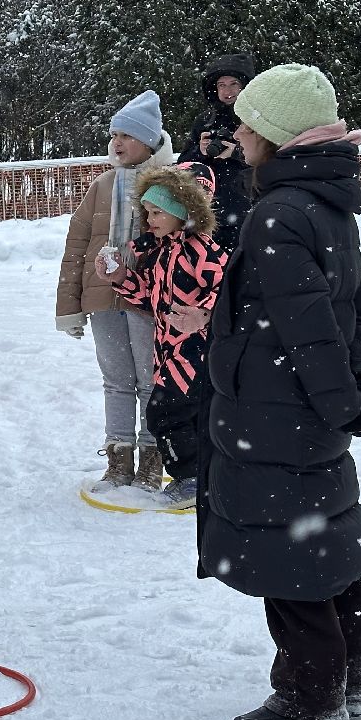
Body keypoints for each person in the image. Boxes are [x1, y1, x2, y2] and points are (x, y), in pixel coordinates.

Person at [192, 63, 361, 720]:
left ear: (279, 134)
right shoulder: (325, 206)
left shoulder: (279, 215)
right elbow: (343, 313)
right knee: (325, 548)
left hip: (278, 416)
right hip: (300, 413)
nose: (237, 130)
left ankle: (309, 693)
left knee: (288, 560)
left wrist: (337, 403)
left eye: (249, 120)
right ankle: (354, 670)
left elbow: (310, 327)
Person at [56, 90, 174, 493]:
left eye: (127, 135)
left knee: (150, 380)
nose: (117, 143)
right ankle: (119, 462)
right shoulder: (101, 186)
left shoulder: (168, 183)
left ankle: (151, 464)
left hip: (149, 302)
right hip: (103, 300)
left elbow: (182, 245)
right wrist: (69, 306)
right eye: (114, 134)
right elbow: (77, 246)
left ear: (150, 141)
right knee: (116, 380)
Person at [95, 164, 227, 507]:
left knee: (166, 414)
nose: (149, 219)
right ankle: (199, 474)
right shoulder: (163, 252)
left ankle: (190, 477)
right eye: (147, 211)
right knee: (179, 414)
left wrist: (204, 314)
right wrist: (120, 277)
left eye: (158, 212)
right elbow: (150, 298)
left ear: (182, 211)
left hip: (194, 352)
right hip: (167, 350)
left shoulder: (202, 251)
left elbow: (231, 291)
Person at [177, 53, 256, 253]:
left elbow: (271, 158)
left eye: (233, 84)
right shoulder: (205, 121)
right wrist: (201, 151)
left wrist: (236, 153)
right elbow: (183, 165)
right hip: (210, 211)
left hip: (249, 207)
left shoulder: (257, 119)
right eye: (222, 85)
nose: (227, 91)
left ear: (244, 86)